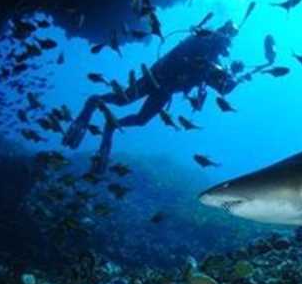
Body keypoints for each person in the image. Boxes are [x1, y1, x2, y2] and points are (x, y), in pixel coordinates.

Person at [63, 21, 240, 173]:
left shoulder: (214, 63)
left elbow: (221, 88)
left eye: (227, 43)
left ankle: (111, 124)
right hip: (154, 78)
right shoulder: (200, 40)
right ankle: (93, 101)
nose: (224, 46)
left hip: (165, 91)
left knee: (141, 120)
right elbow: (184, 53)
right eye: (224, 40)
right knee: (122, 100)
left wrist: (232, 80)